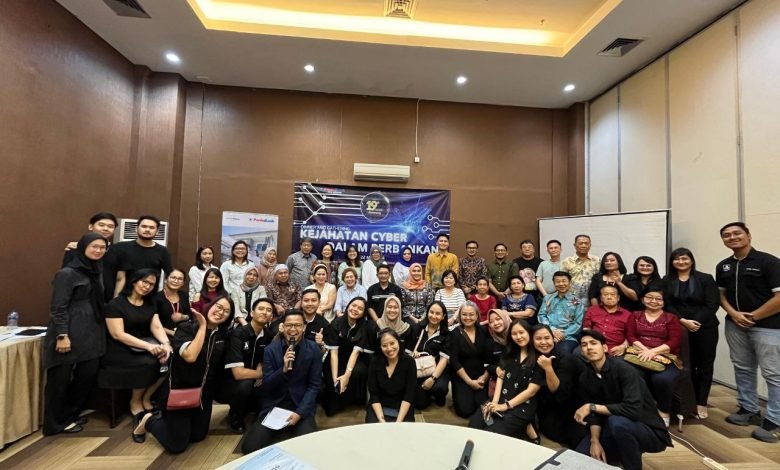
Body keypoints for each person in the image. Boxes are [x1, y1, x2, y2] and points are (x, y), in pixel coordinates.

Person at [135, 296, 234, 452]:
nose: (221, 312)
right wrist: (203, 327)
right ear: (210, 306)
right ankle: (148, 420)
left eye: (226, 311)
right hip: (179, 391)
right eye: (219, 307)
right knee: (177, 446)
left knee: (197, 436)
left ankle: (179, 424)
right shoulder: (186, 328)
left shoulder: (223, 334)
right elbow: (190, 356)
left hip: (203, 394)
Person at [717, 222, 780, 442]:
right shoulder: (724, 266)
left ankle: (775, 420)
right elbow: (721, 296)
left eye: (737, 233)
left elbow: (779, 297)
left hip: (767, 326)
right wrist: (734, 314)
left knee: (773, 373)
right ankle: (748, 408)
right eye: (726, 235)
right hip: (735, 324)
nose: (732, 237)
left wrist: (753, 317)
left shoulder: (769, 262)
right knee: (743, 367)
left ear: (748, 235)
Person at [575, 329, 671, 470]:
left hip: (647, 430)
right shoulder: (585, 377)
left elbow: (632, 410)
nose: (589, 347)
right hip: (612, 427)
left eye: (593, 343)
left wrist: (591, 406)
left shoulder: (625, 370)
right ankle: (619, 452)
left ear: (605, 348)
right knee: (580, 456)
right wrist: (595, 441)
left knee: (617, 422)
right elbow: (594, 416)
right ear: (582, 352)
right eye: (584, 345)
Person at [44, 233, 108, 435]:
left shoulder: (95, 271)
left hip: (91, 332)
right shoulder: (67, 274)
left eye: (102, 247)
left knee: (87, 375)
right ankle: (54, 424)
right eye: (94, 246)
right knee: (59, 381)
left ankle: (69, 415)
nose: (98, 250)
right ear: (83, 247)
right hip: (68, 331)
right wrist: (62, 335)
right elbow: (58, 307)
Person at [98, 269, 172, 441]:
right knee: (148, 363)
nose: (147, 286)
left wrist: (166, 344)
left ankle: (146, 397)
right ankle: (135, 402)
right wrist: (148, 347)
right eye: (144, 281)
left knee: (171, 358)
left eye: (151, 284)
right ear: (134, 281)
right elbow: (118, 334)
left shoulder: (149, 303)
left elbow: (156, 327)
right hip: (119, 350)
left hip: (144, 345)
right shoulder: (115, 305)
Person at [241, 309, 323, 454]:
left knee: (311, 449)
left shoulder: (313, 349)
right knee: (249, 448)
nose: (293, 329)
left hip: (300, 404)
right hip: (275, 404)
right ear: (283, 327)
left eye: (297, 325)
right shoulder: (270, 350)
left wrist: (300, 413)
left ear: (304, 327)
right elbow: (267, 384)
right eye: (289, 325)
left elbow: (314, 386)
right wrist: (283, 370)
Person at [663, 247, 720, 419]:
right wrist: (683, 321)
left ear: (692, 260)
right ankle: (690, 400)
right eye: (677, 259)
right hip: (679, 327)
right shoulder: (667, 280)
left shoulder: (705, 278)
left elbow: (712, 304)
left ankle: (701, 402)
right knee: (687, 364)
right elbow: (667, 304)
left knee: (704, 365)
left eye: (684, 258)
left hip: (705, 327)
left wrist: (695, 322)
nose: (681, 262)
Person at [468, 319, 544, 442]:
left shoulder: (539, 358)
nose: (518, 336)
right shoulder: (509, 353)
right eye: (514, 334)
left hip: (522, 406)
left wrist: (505, 406)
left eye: (521, 332)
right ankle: (522, 428)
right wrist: (494, 402)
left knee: (490, 436)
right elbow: (500, 377)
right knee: (473, 426)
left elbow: (531, 391)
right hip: (501, 398)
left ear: (529, 333)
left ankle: (527, 426)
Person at [625, 288, 682, 426]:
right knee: (630, 374)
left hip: (665, 356)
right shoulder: (635, 315)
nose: (654, 301)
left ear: (664, 302)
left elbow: (674, 341)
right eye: (649, 297)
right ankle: (636, 411)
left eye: (658, 299)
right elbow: (631, 336)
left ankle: (664, 411)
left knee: (662, 379)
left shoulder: (671, 318)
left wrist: (653, 352)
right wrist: (645, 350)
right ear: (642, 299)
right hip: (639, 354)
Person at [222, 298, 273, 433]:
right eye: (261, 309)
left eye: (268, 310)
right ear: (252, 313)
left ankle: (256, 412)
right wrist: (259, 374)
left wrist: (262, 368)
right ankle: (235, 418)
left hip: (254, 379)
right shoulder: (238, 334)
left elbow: (266, 357)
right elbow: (238, 373)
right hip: (230, 382)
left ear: (271, 316)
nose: (264, 312)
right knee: (245, 383)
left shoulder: (268, 335)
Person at [532, 324, 588, 448]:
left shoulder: (565, 358)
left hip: (572, 404)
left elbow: (560, 392)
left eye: (547, 338)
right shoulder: (534, 355)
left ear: (553, 339)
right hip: (550, 405)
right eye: (538, 339)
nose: (543, 342)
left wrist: (548, 368)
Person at [322, 297, 374, 416]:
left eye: (360, 308)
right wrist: (335, 380)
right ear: (348, 306)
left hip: (352, 358)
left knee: (358, 372)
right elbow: (333, 354)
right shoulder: (336, 323)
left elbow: (355, 353)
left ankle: (353, 401)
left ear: (363, 313)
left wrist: (346, 375)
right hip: (335, 358)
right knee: (333, 385)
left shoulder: (364, 326)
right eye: (353, 305)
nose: (355, 309)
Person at [449, 301, 493, 418]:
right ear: (460, 316)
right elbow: (455, 361)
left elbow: (490, 358)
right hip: (462, 377)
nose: (468, 318)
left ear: (477, 315)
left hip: (481, 376)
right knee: (465, 411)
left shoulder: (484, 330)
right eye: (464, 314)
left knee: (481, 407)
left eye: (471, 314)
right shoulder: (455, 333)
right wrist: (469, 382)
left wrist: (484, 377)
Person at [112, 215, 173, 297]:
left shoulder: (162, 251)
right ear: (136, 229)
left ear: (157, 232)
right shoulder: (121, 247)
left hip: (150, 297)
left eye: (151, 228)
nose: (147, 229)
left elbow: (170, 274)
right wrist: (116, 298)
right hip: (125, 296)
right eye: (144, 226)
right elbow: (118, 277)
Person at [366, 329, 417, 423]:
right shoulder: (374, 362)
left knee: (404, 430)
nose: (389, 349)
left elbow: (409, 395)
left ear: (398, 342)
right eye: (384, 345)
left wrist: (398, 423)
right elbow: (374, 394)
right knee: (374, 429)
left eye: (392, 343)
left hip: (402, 407)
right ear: (380, 347)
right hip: (379, 406)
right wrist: (382, 421)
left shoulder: (409, 362)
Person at [412, 301, 451, 409]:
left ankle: (438, 395)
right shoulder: (417, 328)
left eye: (438, 314)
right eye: (431, 312)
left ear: (443, 316)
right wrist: (413, 353)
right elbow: (408, 350)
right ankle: (426, 393)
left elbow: (444, 359)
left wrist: (432, 378)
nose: (434, 316)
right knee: (420, 404)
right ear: (427, 312)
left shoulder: (447, 334)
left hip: (437, 369)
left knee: (439, 388)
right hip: (420, 367)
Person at [537, 271, 586, 355]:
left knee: (563, 351)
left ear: (569, 282)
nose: (561, 284)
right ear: (554, 283)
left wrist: (561, 335)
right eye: (558, 281)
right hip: (547, 334)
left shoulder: (577, 302)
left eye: (564, 281)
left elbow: (578, 323)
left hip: (568, 337)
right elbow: (542, 315)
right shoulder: (547, 298)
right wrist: (551, 331)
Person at [582, 285, 632, 356]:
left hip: (616, 349)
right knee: (577, 353)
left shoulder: (628, 315)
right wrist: (589, 344)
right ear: (601, 298)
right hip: (594, 346)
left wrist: (623, 347)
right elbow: (586, 329)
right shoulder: (592, 310)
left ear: (618, 298)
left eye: (612, 294)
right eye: (605, 294)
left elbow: (631, 335)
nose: (609, 297)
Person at [561, 234, 600, 303]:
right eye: (580, 243)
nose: (583, 246)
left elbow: (600, 280)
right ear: (574, 245)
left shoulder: (597, 260)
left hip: (592, 299)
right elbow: (562, 280)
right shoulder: (567, 261)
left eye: (586, 243)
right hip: (571, 299)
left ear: (590, 245)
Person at [154, 269, 192, 336]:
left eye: (180, 279)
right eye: (173, 277)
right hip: (162, 334)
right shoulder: (156, 297)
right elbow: (153, 323)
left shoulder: (184, 295)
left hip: (183, 333)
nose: (176, 281)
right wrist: (173, 333)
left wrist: (183, 317)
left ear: (183, 283)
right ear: (165, 280)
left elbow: (190, 315)